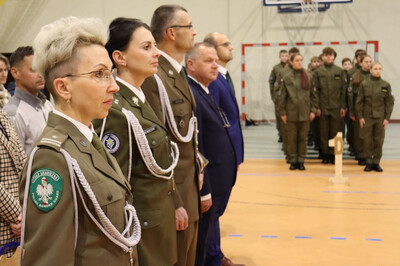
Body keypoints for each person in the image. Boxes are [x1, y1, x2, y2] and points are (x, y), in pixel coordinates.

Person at [19, 16, 140, 265]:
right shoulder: (53, 157)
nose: (114, 86)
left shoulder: (88, 141)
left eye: (111, 73)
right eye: (100, 74)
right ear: (64, 88)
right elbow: (48, 258)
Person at [93, 17, 178, 265]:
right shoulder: (117, 110)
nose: (157, 53)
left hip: (159, 220)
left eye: (155, 45)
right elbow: (116, 183)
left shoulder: (140, 97)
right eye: (146, 47)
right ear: (120, 57)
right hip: (142, 229)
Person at [141, 5, 203, 266]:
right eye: (189, 26)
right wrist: (175, 200)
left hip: (190, 191)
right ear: (171, 33)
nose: (195, 32)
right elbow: (157, 146)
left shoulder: (175, 73)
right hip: (175, 197)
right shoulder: (155, 78)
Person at [186, 42, 241, 266]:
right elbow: (198, 148)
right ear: (190, 64)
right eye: (208, 61)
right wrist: (205, 190)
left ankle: (214, 259)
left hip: (218, 179)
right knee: (201, 241)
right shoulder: (193, 94)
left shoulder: (205, 90)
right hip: (207, 181)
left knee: (209, 231)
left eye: (216, 61)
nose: (215, 65)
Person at [204, 32, 244, 169]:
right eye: (226, 44)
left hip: (231, 152)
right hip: (222, 154)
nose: (231, 47)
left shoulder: (224, 76)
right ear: (213, 50)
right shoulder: (213, 80)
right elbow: (215, 121)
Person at [3, 46, 53, 154]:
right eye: (34, 70)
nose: (40, 75)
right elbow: (14, 165)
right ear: (15, 73)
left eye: (41, 68)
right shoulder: (13, 114)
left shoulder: (48, 105)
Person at [277, 53, 316, 170]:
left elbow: (314, 95)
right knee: (291, 137)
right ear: (292, 62)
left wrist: (313, 110)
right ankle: (293, 160)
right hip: (291, 113)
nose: (299, 62)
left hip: (305, 112)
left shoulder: (308, 76)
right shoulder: (287, 77)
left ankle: (301, 160)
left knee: (303, 138)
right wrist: (282, 113)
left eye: (301, 60)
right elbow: (281, 97)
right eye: (297, 60)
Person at [355, 62, 394, 172]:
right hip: (367, 117)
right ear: (371, 70)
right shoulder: (364, 84)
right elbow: (359, 102)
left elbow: (389, 102)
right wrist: (360, 116)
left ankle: (376, 162)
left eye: (380, 69)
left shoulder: (385, 85)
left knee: (379, 140)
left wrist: (387, 118)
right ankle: (368, 162)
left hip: (380, 117)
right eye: (375, 68)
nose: (378, 71)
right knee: (367, 140)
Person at [312, 47, 347, 164]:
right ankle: (325, 153)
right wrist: (316, 107)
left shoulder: (340, 71)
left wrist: (343, 106)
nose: (328, 57)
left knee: (336, 132)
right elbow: (314, 91)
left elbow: (343, 90)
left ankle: (335, 154)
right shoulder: (318, 72)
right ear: (322, 57)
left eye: (330, 55)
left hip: (336, 107)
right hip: (322, 107)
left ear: (334, 56)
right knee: (323, 131)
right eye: (326, 55)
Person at [0, 109, 25, 257]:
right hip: (7, 222)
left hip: (19, 226)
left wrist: (27, 210)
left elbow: (23, 161)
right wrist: (17, 214)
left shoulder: (2, 111)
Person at [348, 55, 372, 165]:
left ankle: (369, 155)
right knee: (359, 134)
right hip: (359, 110)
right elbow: (350, 95)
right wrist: (352, 111)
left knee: (370, 134)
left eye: (370, 61)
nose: (368, 63)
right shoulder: (355, 76)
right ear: (360, 63)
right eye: (366, 61)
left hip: (372, 110)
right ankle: (360, 155)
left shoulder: (373, 75)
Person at [268, 50, 289, 143]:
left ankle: (288, 134)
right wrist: (273, 95)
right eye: (282, 56)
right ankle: (281, 134)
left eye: (286, 55)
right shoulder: (276, 68)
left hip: (289, 96)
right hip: (278, 96)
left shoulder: (291, 67)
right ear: (279, 57)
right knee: (279, 116)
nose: (284, 57)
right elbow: (271, 81)